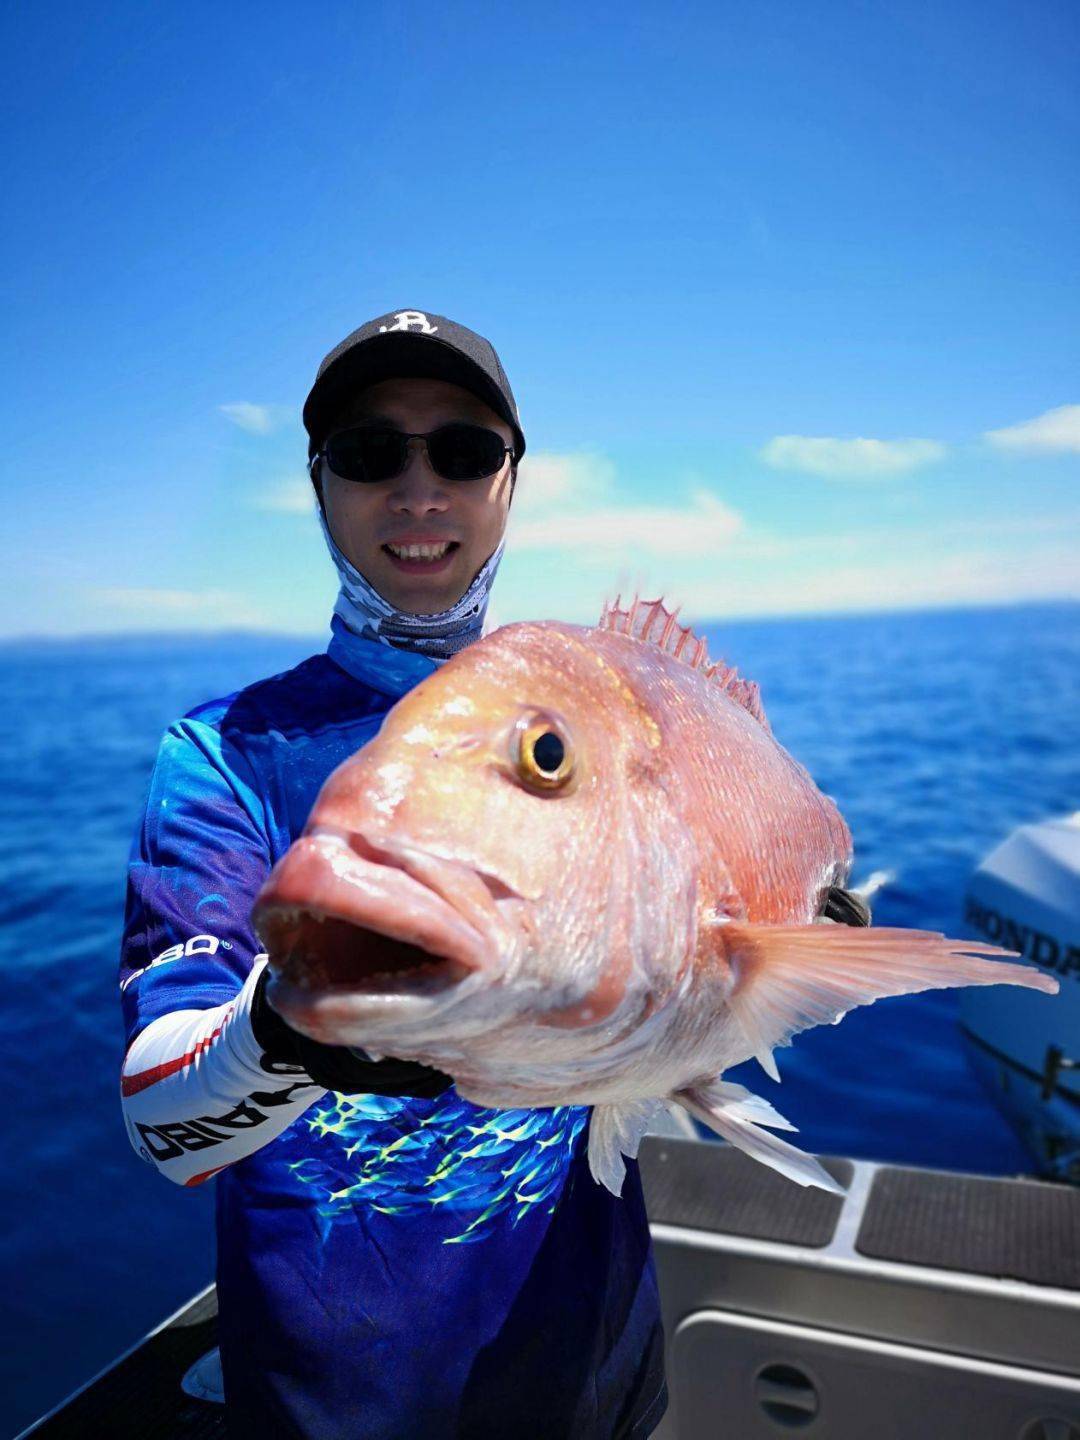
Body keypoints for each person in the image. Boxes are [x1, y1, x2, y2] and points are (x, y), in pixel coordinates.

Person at [118, 309, 668, 1440]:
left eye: (463, 451)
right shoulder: (223, 756)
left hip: (597, 1363)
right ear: (318, 485)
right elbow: (163, 1129)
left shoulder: (600, 718)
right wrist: (281, 1034)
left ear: (510, 482)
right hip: (338, 1406)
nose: (419, 494)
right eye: (371, 453)